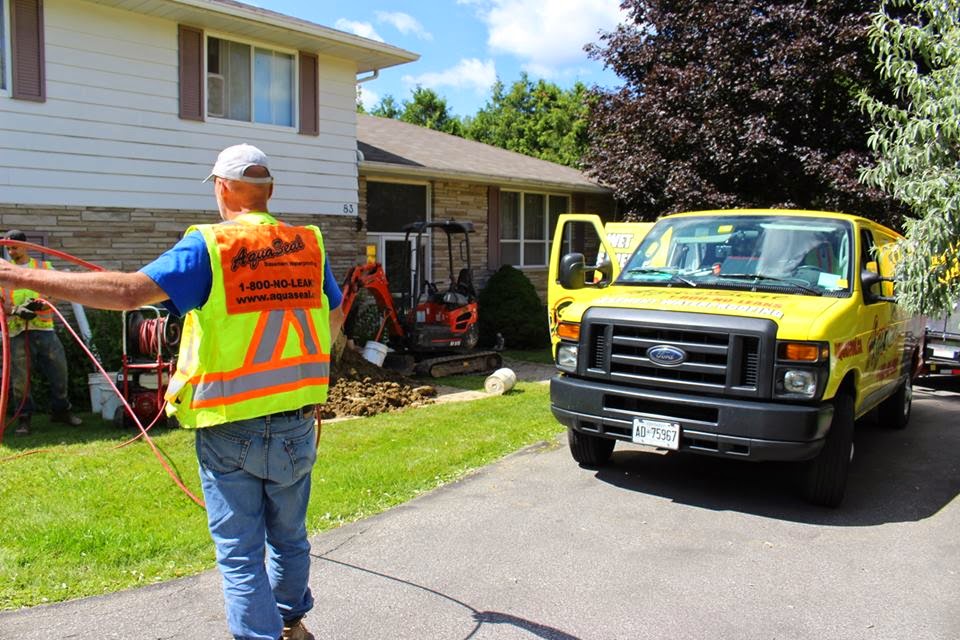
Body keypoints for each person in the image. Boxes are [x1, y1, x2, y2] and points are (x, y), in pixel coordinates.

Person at [0, 143, 344, 640]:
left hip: (231, 424)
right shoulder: (309, 244)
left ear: (222, 189)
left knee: (241, 551)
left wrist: (13, 274)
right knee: (289, 537)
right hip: (296, 419)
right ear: (269, 191)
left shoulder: (211, 245)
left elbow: (128, 293)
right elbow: (332, 314)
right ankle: (293, 624)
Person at [1, 229, 82, 435]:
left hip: (44, 329)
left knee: (59, 370)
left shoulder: (43, 267)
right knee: (21, 379)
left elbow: (58, 292)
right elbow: (2, 302)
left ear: (26, 246)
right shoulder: (4, 272)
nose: (11, 252)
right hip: (16, 332)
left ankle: (61, 411)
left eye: (15, 247)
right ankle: (24, 418)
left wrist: (42, 305)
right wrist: (16, 310)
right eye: (8, 248)